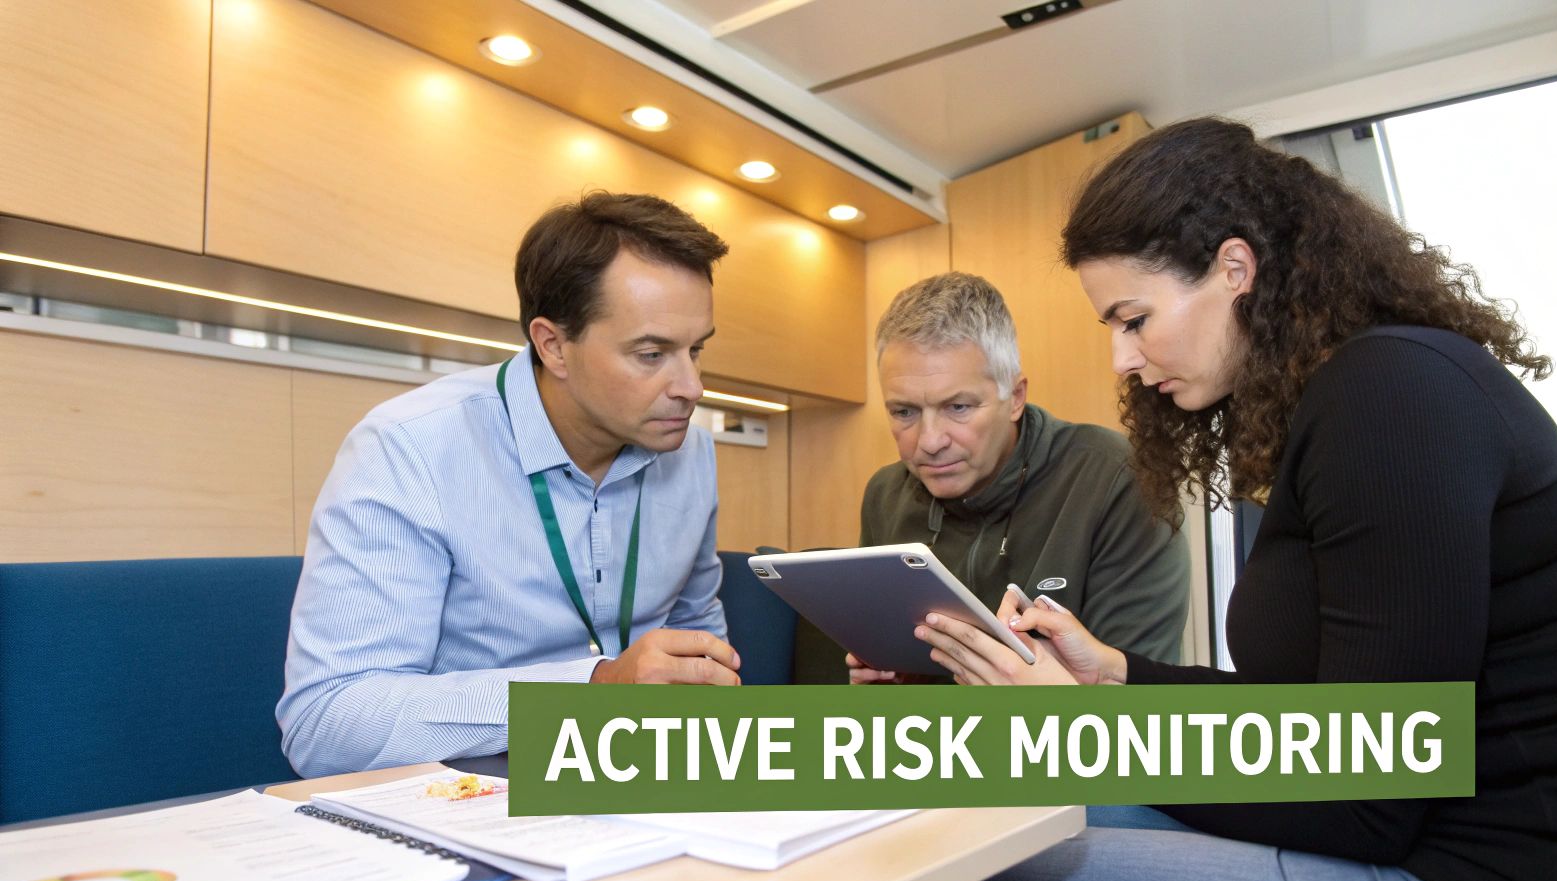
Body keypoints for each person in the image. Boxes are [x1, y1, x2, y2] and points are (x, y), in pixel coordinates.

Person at [901, 118, 1557, 881]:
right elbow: (1320, 719)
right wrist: (1117, 676)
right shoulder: (1361, 394)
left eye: (1134, 320)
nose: (1123, 360)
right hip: (1469, 872)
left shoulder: (1391, 399)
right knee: (1024, 835)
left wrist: (1090, 728)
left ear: (1234, 270)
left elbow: (1364, 793)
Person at [280, 191, 743, 781]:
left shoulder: (691, 453)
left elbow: (695, 630)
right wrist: (592, 691)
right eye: (651, 354)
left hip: (644, 785)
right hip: (469, 798)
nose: (692, 386)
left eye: (696, 350)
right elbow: (327, 722)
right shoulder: (409, 448)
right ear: (553, 345)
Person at [847, 271, 1189, 684]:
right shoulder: (885, 495)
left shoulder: (1118, 478)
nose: (930, 441)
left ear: (1016, 398)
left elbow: (1142, 709)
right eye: (904, 412)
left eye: (957, 407)